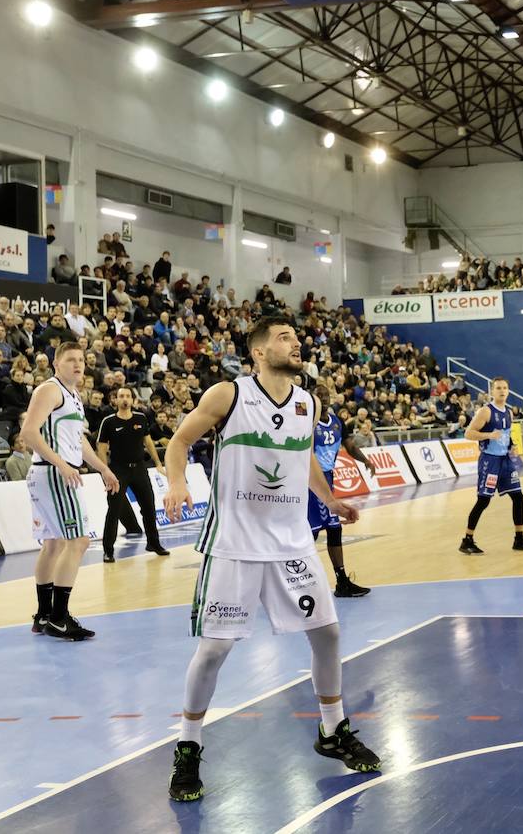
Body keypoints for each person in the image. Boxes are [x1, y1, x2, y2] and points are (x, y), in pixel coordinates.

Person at [161, 316, 381, 802]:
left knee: (327, 634)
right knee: (215, 651)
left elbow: (303, 457)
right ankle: (188, 746)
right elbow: (179, 441)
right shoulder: (229, 395)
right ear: (258, 352)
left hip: (291, 543)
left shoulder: (309, 402)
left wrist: (329, 500)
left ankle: (332, 729)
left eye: (297, 338)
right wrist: (176, 482)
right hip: (234, 543)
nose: (296, 344)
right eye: (284, 338)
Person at [21, 342, 121, 641]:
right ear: (56, 363)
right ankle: (59, 618)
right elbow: (28, 432)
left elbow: (79, 442)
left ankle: (43, 615)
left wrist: (103, 468)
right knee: (78, 541)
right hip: (54, 473)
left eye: (81, 360)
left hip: (51, 472)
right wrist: (62, 464)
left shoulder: (73, 395)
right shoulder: (50, 390)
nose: (78, 364)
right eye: (70, 360)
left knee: (53, 545)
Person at [308, 383, 373, 598]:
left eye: (326, 394)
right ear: (312, 398)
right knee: (310, 534)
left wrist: (365, 460)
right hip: (310, 483)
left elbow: (350, 445)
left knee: (334, 529)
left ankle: (342, 581)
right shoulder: (306, 422)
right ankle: (296, 583)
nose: (324, 398)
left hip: (328, 480)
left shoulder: (337, 422)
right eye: (319, 394)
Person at [460, 377, 523, 554]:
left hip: (505, 461)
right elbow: (468, 433)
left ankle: (519, 539)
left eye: (504, 388)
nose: (502, 391)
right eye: (498, 388)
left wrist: (512, 446)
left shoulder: (509, 412)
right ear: (492, 392)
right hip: (490, 461)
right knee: (483, 500)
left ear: (508, 391)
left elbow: (505, 435)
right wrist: (488, 435)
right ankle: (467, 540)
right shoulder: (485, 411)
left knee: (519, 497)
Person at [97, 387, 169, 561]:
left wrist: (158, 462)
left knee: (149, 507)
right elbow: (101, 448)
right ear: (115, 400)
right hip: (118, 470)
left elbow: (148, 442)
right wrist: (105, 472)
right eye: (121, 396)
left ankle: (153, 543)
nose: (125, 399)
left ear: (132, 400)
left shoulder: (141, 418)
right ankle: (108, 550)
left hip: (139, 469)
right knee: (114, 510)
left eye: (128, 396)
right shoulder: (108, 421)